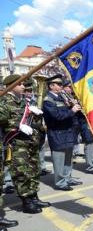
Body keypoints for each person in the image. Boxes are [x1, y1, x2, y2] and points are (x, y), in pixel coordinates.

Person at [0, 75, 50, 214]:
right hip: (17, 143)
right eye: (20, 84)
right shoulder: (5, 100)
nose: (24, 86)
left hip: (30, 141)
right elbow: (2, 120)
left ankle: (34, 196)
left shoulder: (24, 101)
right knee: (21, 172)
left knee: (33, 170)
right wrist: (18, 126)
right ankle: (26, 201)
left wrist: (37, 115)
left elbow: (34, 122)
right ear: (11, 85)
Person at [42, 74, 82, 191]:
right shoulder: (48, 100)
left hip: (67, 132)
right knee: (59, 160)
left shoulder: (61, 97)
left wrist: (72, 105)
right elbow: (57, 116)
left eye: (61, 84)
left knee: (68, 159)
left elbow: (66, 112)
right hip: (57, 133)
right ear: (51, 86)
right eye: (58, 84)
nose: (61, 86)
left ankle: (67, 178)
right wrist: (72, 111)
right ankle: (60, 182)